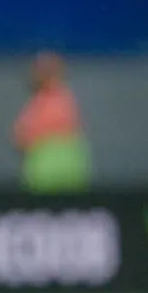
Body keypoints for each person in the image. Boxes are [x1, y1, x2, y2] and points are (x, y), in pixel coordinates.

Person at [12, 52, 90, 193]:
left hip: (57, 175)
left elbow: (24, 137)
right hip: (43, 175)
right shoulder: (39, 102)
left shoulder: (60, 101)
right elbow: (20, 138)